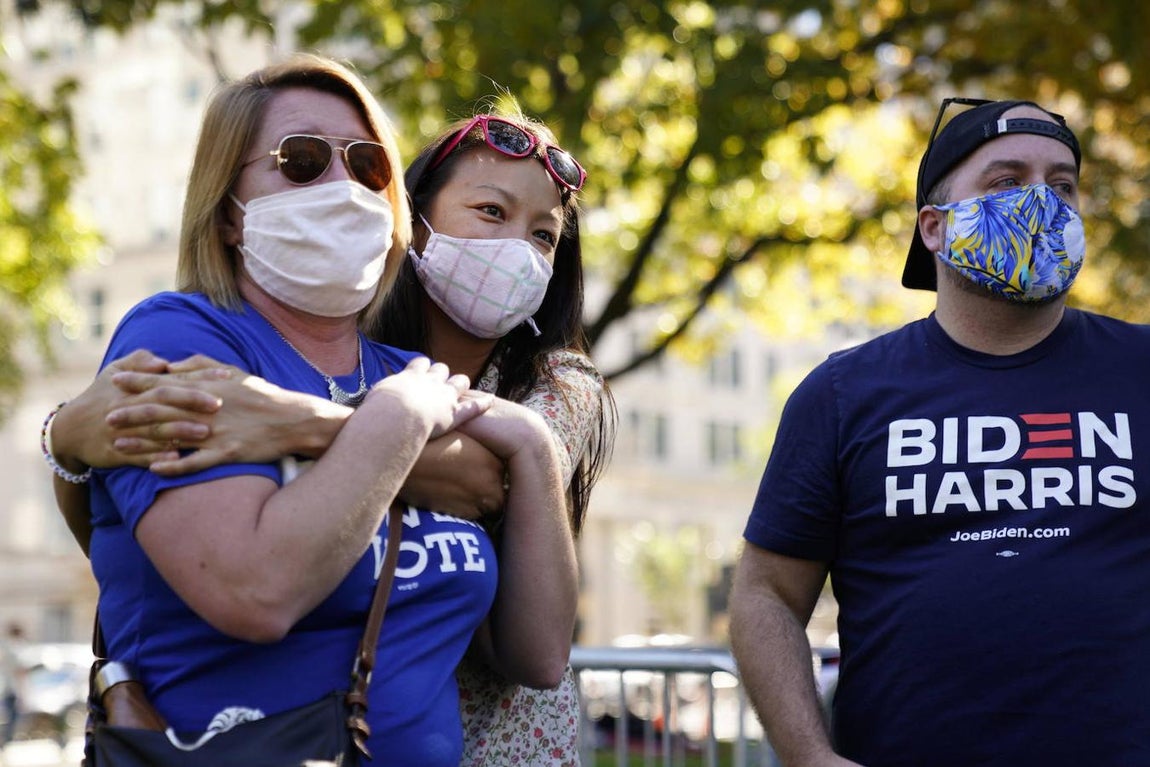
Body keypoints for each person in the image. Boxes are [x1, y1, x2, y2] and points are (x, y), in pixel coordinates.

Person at [41, 53, 578, 767]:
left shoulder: (407, 373)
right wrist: (396, 418)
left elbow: (538, 652)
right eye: (301, 161)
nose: (342, 187)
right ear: (228, 209)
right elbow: (256, 591)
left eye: (368, 167)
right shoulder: (177, 337)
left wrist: (535, 443)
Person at [728, 97, 1150, 767]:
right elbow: (766, 593)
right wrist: (809, 756)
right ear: (934, 226)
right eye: (1007, 182)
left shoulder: (1140, 369)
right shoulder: (843, 394)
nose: (1043, 203)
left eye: (1062, 185)